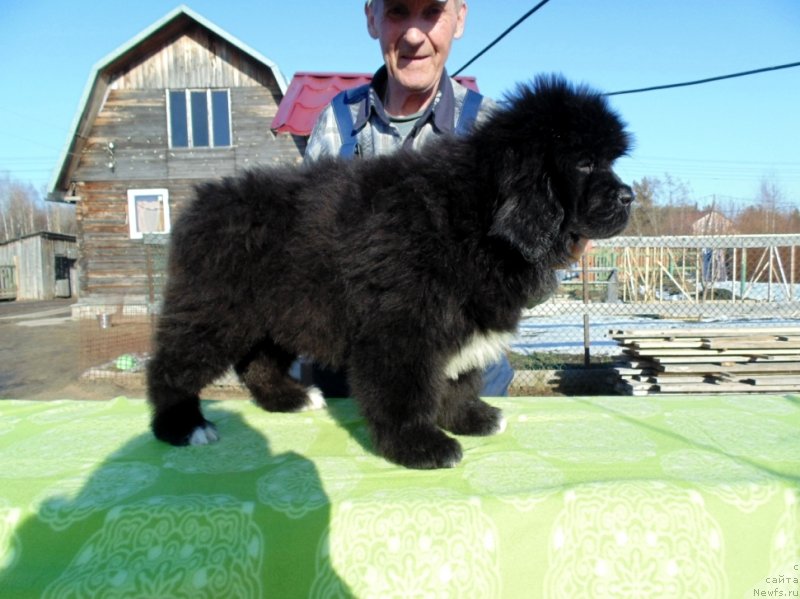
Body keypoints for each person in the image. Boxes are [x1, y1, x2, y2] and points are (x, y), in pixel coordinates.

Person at [301, 0, 514, 397]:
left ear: (460, 18)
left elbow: (521, 284)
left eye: (432, 11)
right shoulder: (336, 123)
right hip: (352, 382)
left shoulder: (493, 133)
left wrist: (553, 255)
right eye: (398, 11)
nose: (414, 35)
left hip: (463, 385)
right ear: (371, 18)